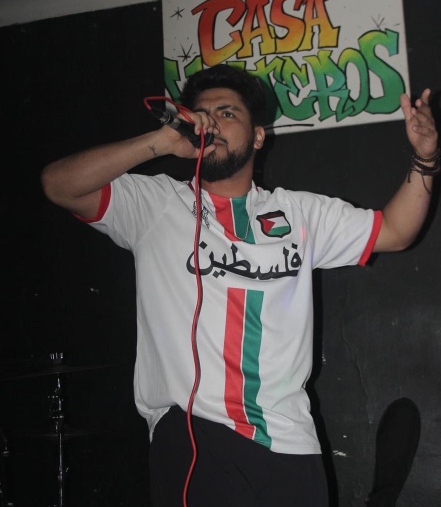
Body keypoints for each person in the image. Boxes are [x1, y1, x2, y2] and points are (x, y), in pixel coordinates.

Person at [40, 64, 439, 506]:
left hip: (292, 443)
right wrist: (161, 142)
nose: (211, 122)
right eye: (203, 113)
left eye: (227, 113)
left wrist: (425, 159)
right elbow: (59, 185)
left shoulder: (300, 213)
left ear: (258, 136)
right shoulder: (155, 204)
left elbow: (396, 231)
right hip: (198, 438)